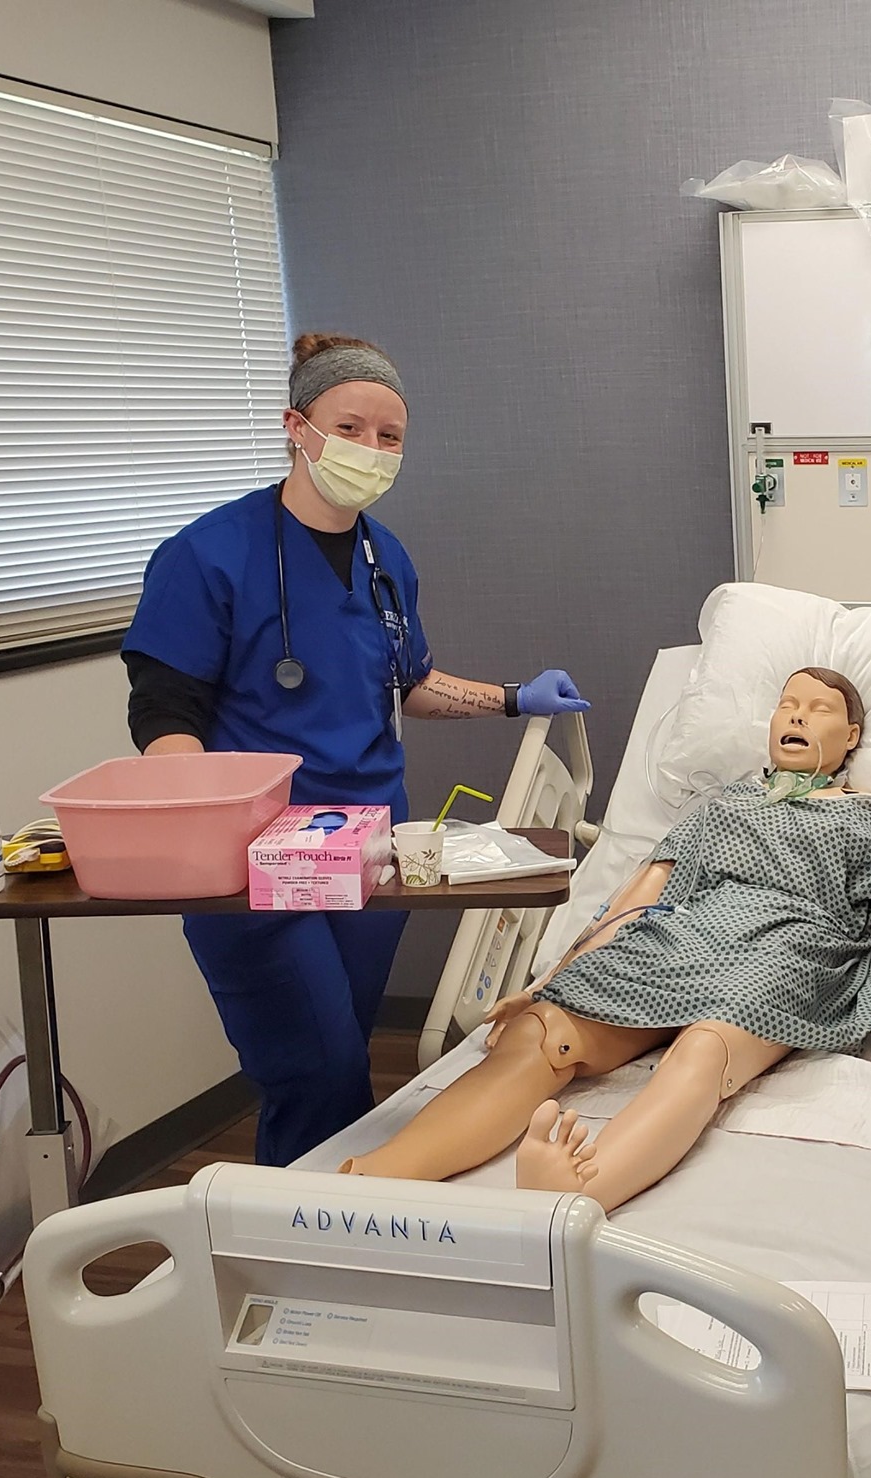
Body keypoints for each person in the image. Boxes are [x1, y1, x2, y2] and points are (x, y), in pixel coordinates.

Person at [122, 332, 590, 1167]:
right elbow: (164, 711)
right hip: (259, 866)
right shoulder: (207, 555)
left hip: (370, 853)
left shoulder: (385, 558)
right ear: (296, 427)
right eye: (352, 428)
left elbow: (410, 682)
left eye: (389, 436)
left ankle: (317, 1250)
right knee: (319, 1074)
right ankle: (308, 1258)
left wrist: (515, 698)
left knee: (335, 1058)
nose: (371, 451)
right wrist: (205, 830)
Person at [339, 668, 871, 1209]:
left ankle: (580, 1189)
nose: (796, 716)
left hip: (790, 945)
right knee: (544, 1032)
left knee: (706, 1046)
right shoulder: (721, 806)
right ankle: (376, 1175)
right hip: (684, 934)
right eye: (787, 704)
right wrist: (553, 980)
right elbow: (642, 895)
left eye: (819, 709)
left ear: (853, 736)